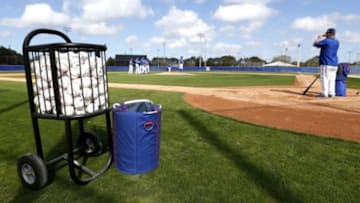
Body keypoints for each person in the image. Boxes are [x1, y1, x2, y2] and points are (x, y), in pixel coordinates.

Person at [313, 28, 340, 98]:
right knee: (332, 79)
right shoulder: (337, 42)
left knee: (324, 78)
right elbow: (330, 39)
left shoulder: (326, 41)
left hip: (326, 63)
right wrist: (326, 36)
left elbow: (314, 44)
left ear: (329, 33)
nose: (326, 34)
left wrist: (318, 38)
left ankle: (324, 93)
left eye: (327, 33)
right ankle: (331, 93)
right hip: (334, 64)